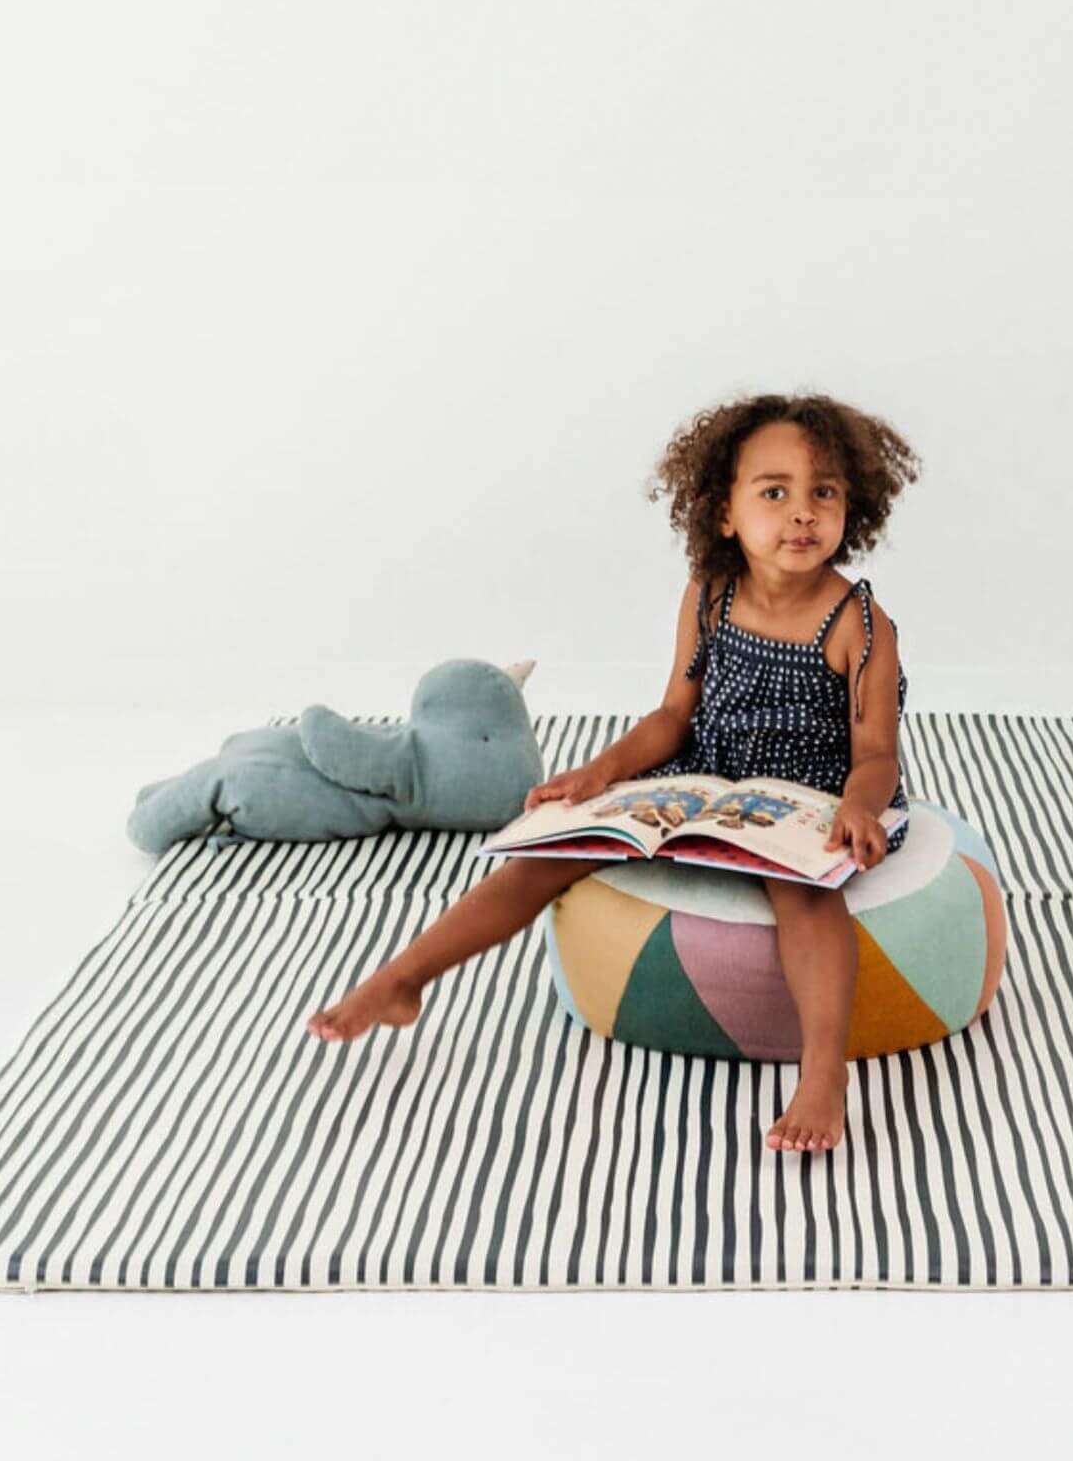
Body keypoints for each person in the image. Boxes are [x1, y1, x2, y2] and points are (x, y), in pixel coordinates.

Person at [307, 390, 922, 1155]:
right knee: (550, 850)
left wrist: (858, 810)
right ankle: (402, 979)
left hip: (812, 796)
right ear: (724, 511)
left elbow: (875, 754)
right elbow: (671, 716)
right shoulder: (708, 594)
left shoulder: (859, 622)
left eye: (822, 493)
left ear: (850, 508)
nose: (802, 513)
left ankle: (823, 1074)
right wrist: (596, 777)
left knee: (805, 895)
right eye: (775, 492)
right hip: (706, 778)